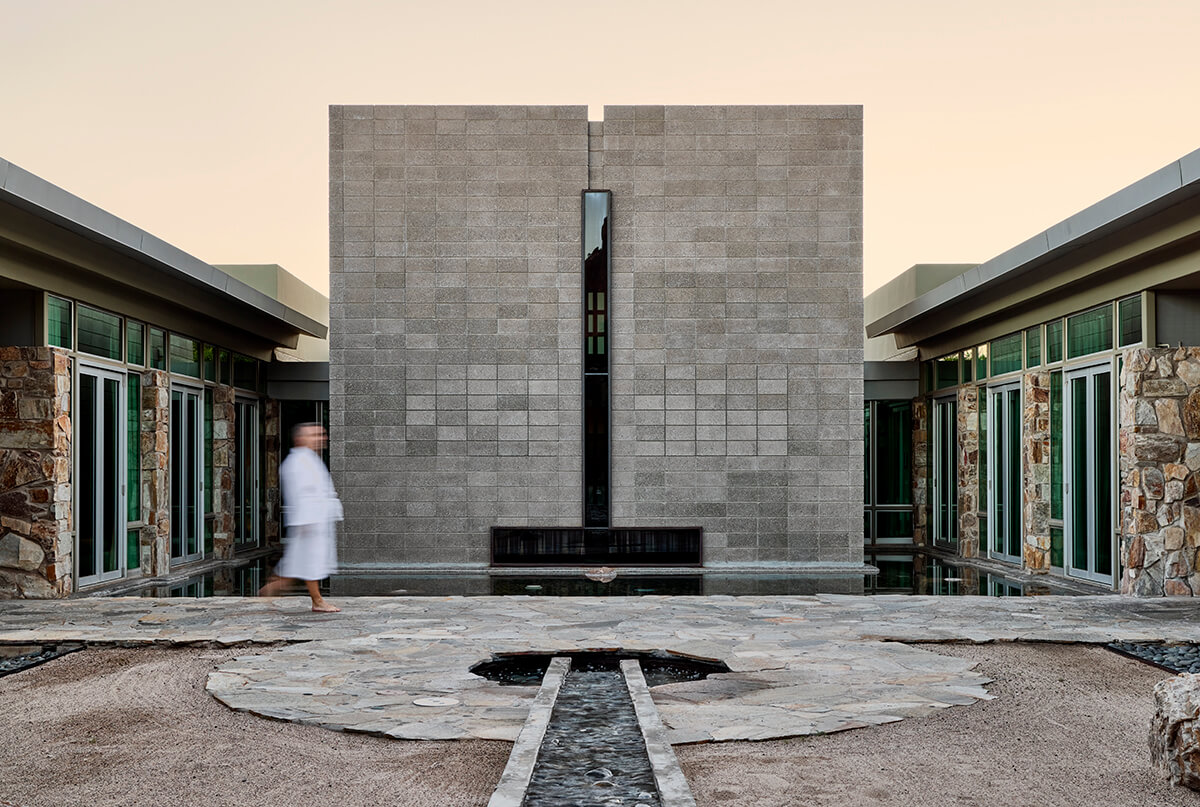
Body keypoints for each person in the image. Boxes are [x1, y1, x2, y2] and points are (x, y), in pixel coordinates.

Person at [259, 422, 342, 612]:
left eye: (321, 434)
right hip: (309, 523)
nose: (321, 438)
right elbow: (301, 494)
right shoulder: (297, 463)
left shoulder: (310, 460)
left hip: (314, 522)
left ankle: (266, 592)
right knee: (308, 564)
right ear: (300, 439)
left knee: (296, 568)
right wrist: (308, 521)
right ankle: (318, 601)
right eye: (315, 435)